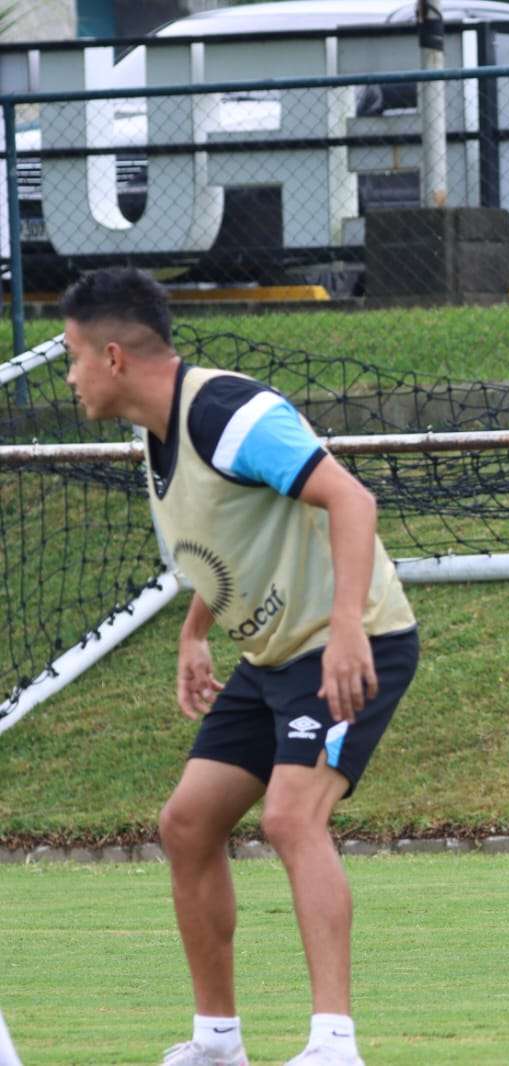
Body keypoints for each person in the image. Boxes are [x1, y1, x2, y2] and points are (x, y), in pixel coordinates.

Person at [62, 268, 420, 1066]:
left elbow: (350, 501)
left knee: (293, 818)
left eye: (73, 356)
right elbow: (233, 542)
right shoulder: (156, 435)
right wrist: (197, 631)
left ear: (113, 356)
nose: (69, 374)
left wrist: (348, 632)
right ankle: (218, 1042)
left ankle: (335, 1044)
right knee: (186, 824)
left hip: (351, 644)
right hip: (272, 658)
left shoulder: (227, 412)